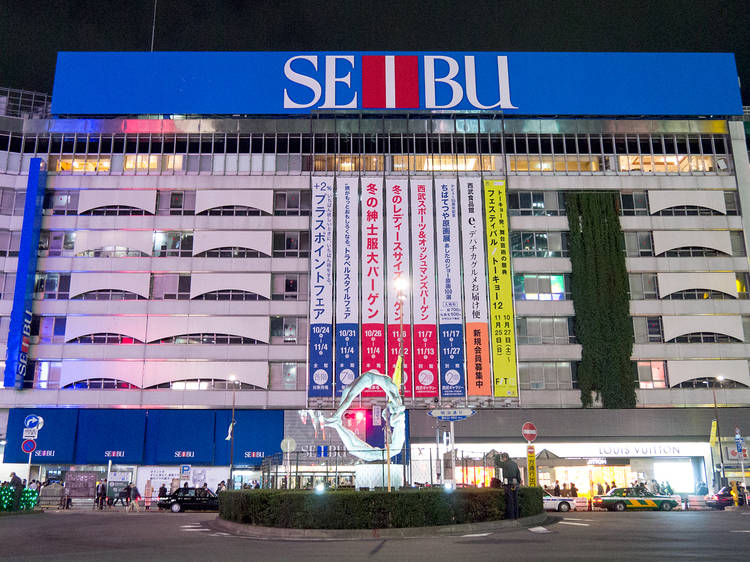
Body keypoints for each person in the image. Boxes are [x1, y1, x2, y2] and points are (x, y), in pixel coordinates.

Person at [496, 452, 521, 520]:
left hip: (508, 484)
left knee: (510, 500)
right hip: (515, 483)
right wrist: (518, 482)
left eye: (502, 458)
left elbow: (497, 462)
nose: (502, 460)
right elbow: (518, 474)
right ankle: (517, 516)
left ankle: (511, 517)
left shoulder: (505, 464)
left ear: (505, 458)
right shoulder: (514, 464)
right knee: (515, 500)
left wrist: (498, 455)